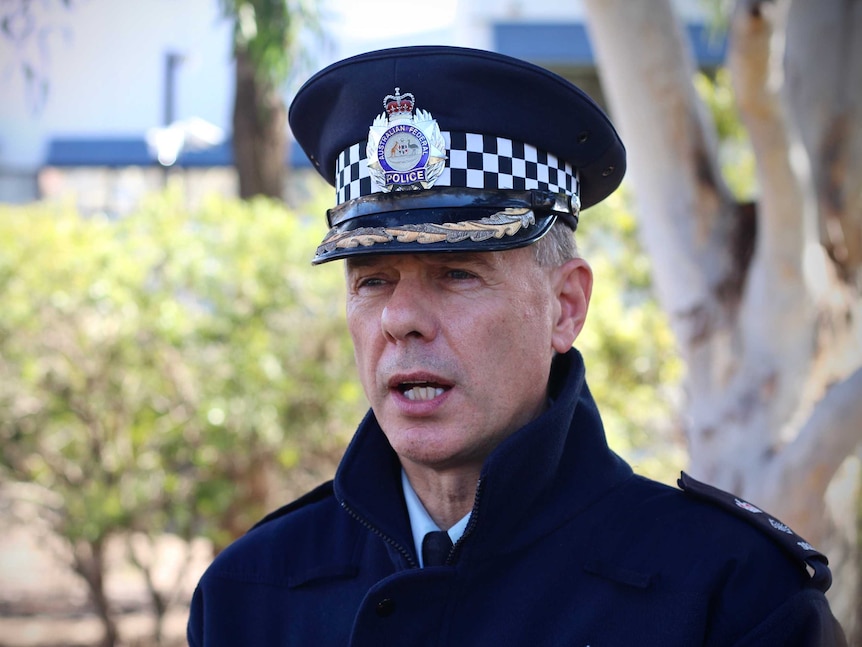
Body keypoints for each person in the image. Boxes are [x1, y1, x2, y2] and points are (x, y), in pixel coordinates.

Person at [187, 45, 847, 646]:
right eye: (372, 279)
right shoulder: (247, 596)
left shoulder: (733, 596)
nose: (400, 318)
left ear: (566, 307)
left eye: (457, 273)